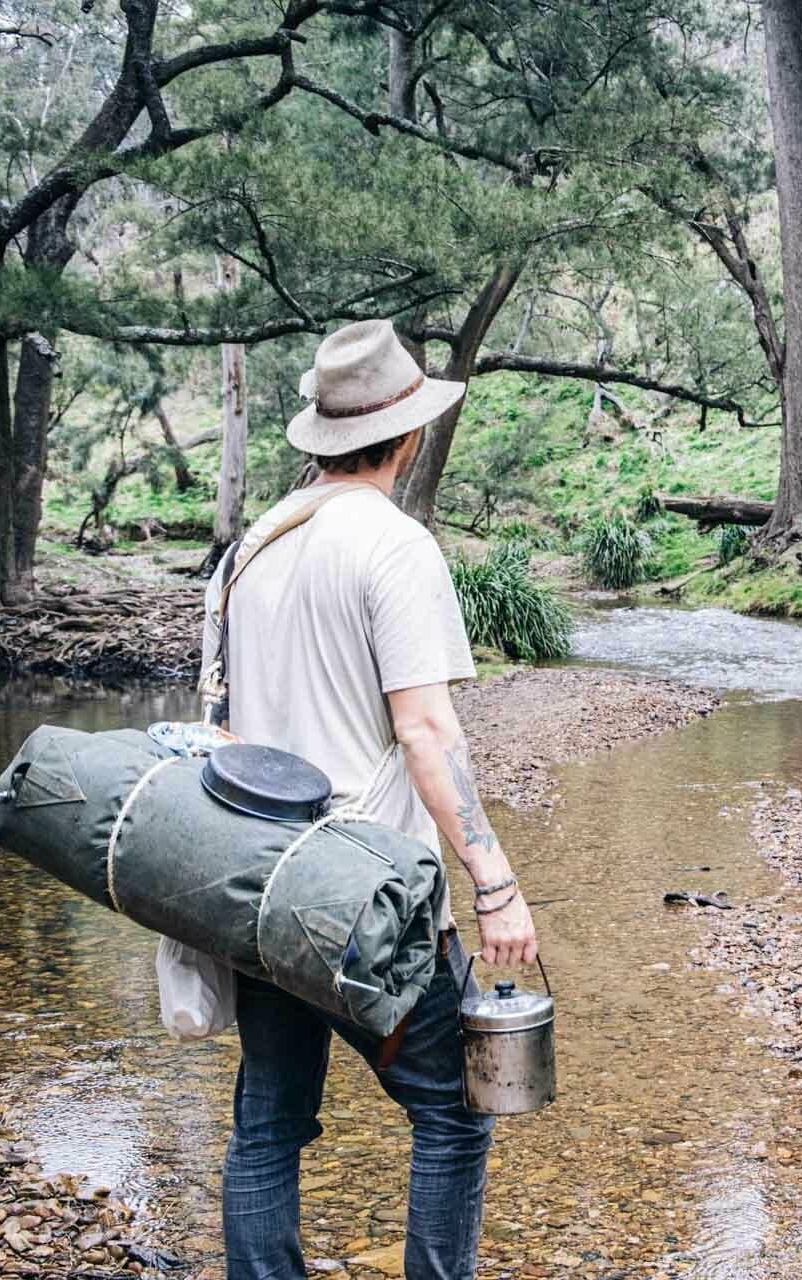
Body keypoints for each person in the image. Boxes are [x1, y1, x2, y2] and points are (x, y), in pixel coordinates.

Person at [198, 318, 539, 1280]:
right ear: (409, 436)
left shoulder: (251, 549)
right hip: (367, 895)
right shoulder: (396, 548)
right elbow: (427, 733)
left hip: (258, 880)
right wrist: (494, 881)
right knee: (456, 1107)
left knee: (268, 1120)